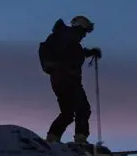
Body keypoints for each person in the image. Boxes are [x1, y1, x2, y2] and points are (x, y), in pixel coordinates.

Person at [39, 16, 102, 144]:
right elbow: (69, 53)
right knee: (83, 108)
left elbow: (71, 52)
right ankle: (80, 138)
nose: (84, 35)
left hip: (58, 80)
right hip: (68, 79)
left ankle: (52, 138)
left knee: (67, 113)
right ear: (80, 27)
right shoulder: (67, 37)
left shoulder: (64, 37)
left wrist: (89, 53)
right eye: (84, 31)